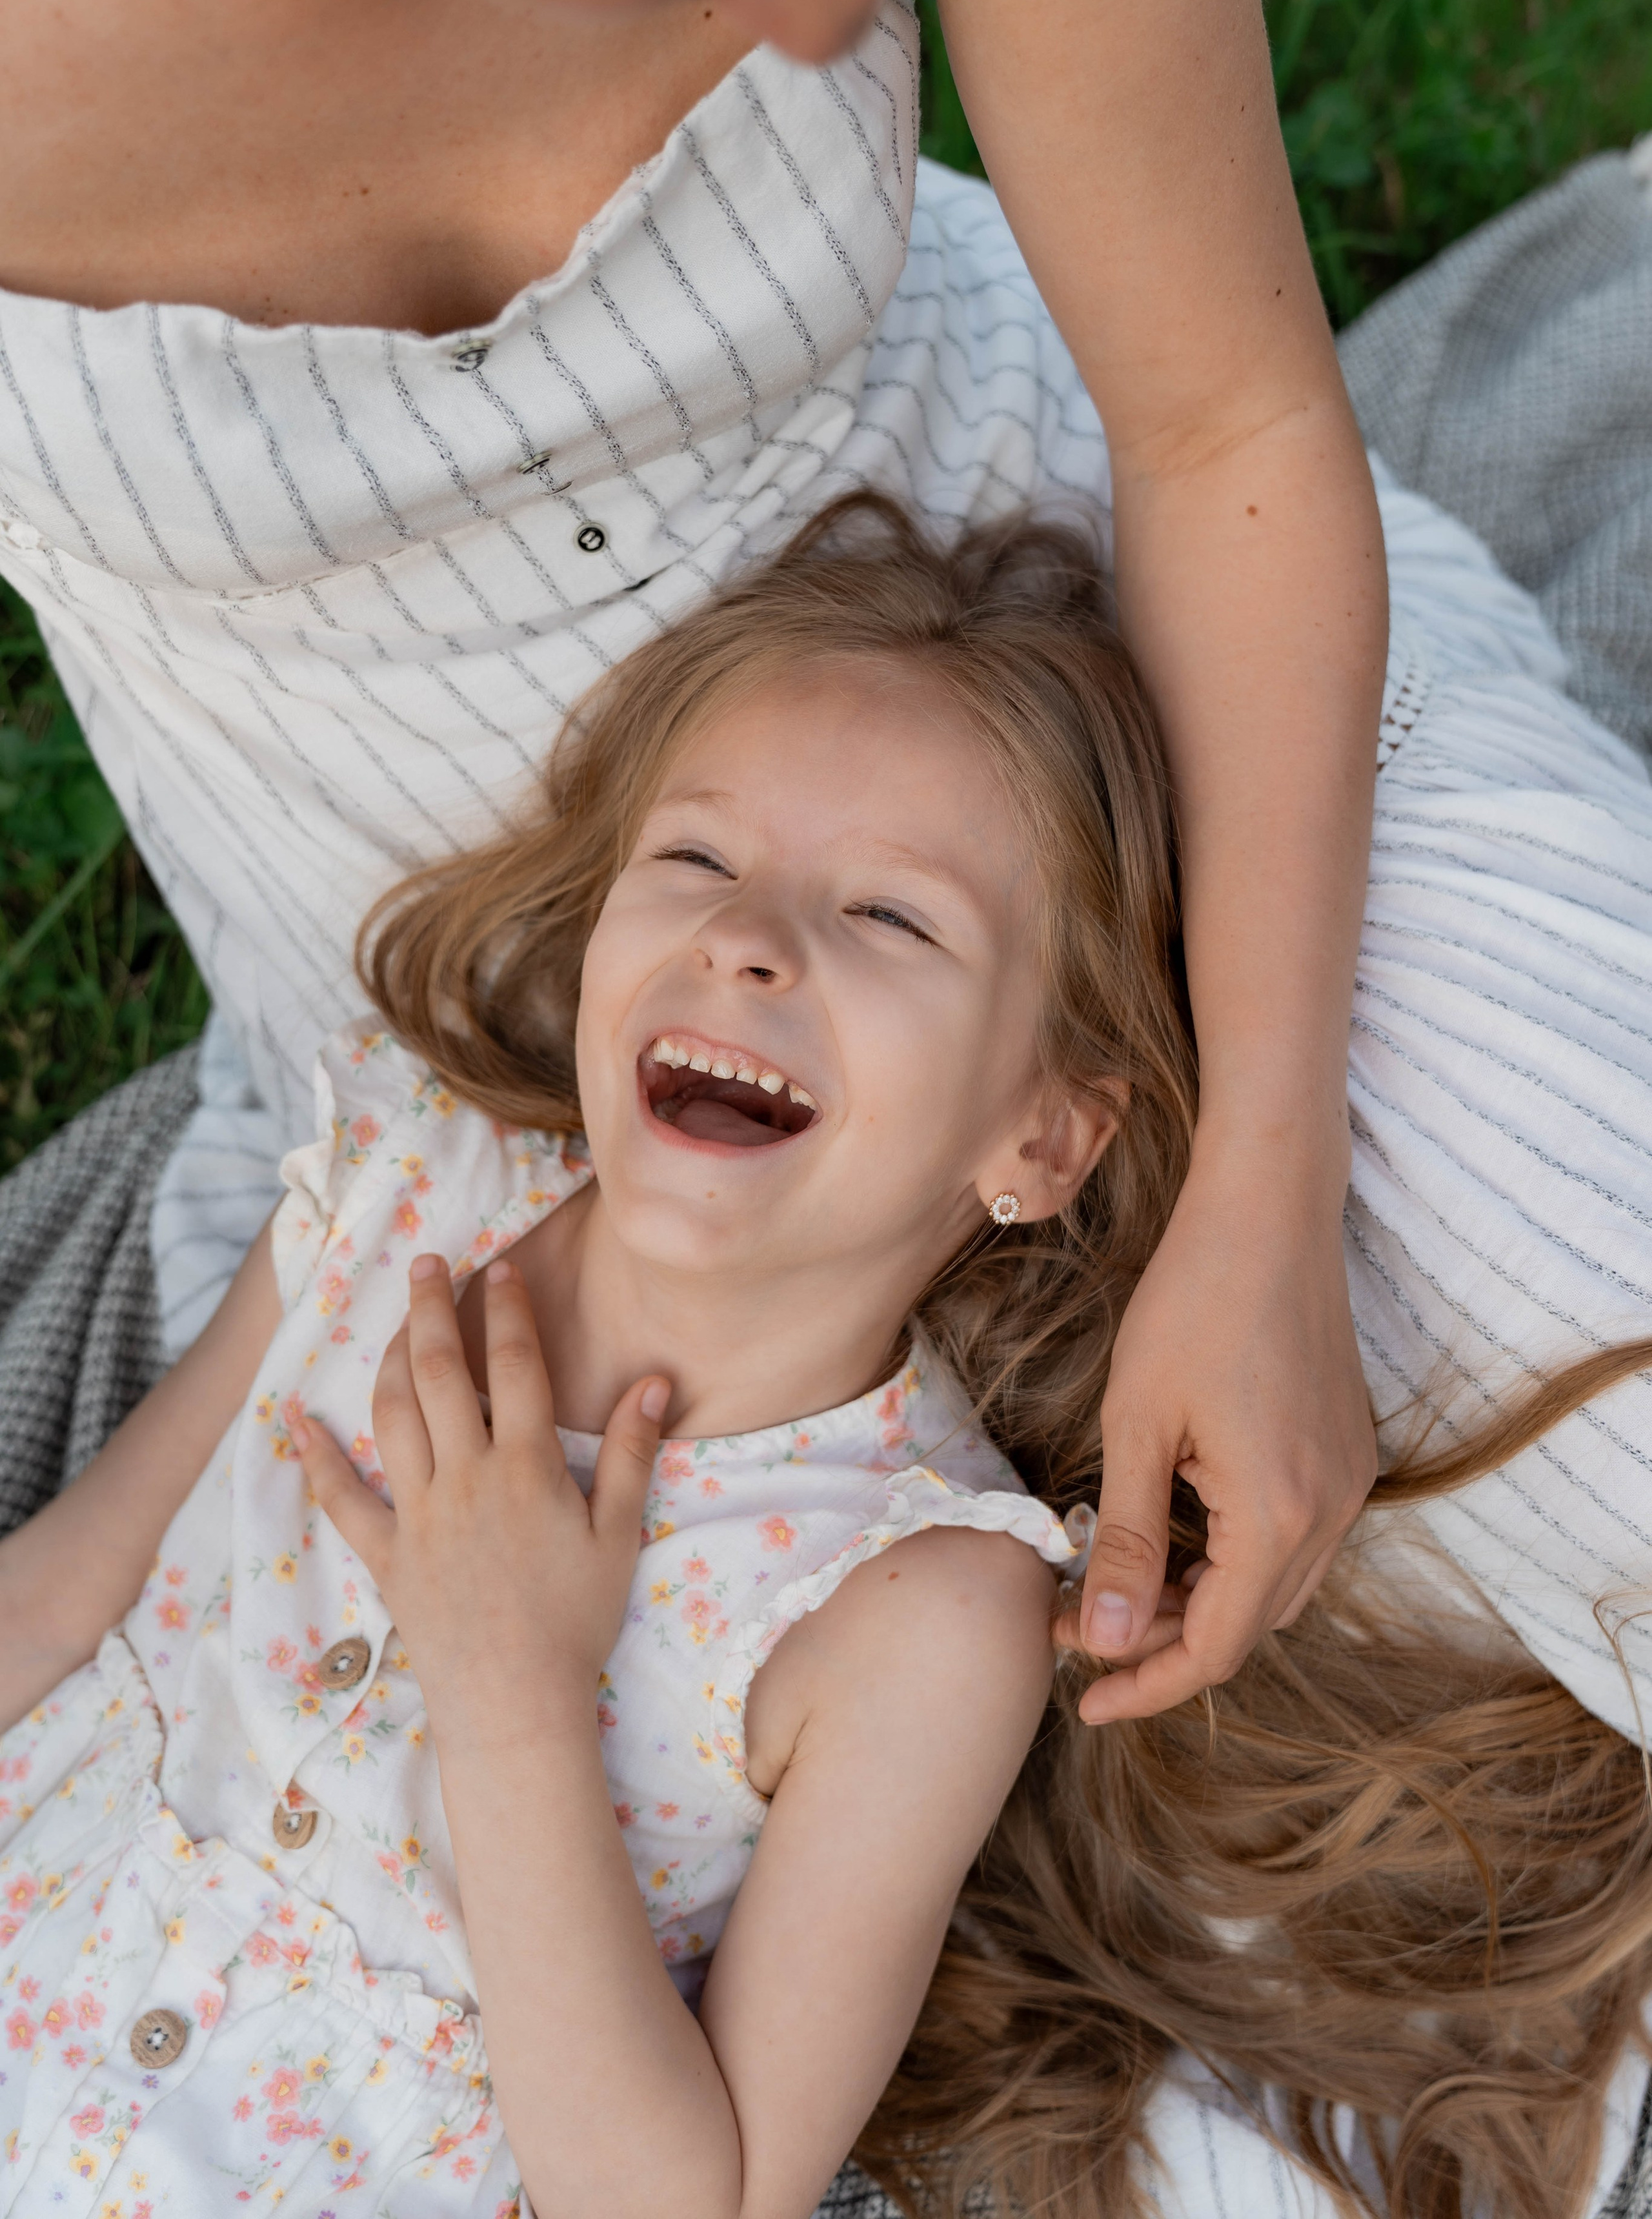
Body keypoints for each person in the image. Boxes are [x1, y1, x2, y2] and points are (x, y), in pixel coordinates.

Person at [6, 489, 1652, 2219]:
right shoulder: (408, 1188)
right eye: (700, 861)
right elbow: (67, 1595)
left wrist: (510, 1691)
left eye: (890, 920)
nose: (751, 935)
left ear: (1040, 1137)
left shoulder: (918, 1603)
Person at [0, 0, 1387, 1721]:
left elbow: (1226, 431)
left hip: (1085, 634)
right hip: (453, 1048)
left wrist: (1265, 1184)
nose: (842, 8)